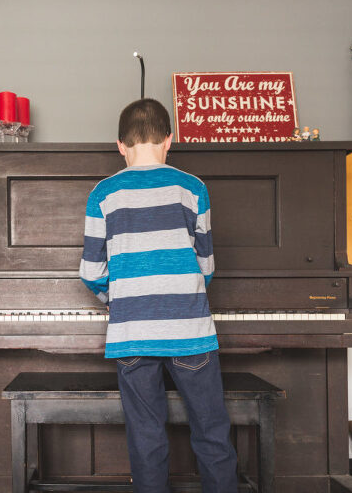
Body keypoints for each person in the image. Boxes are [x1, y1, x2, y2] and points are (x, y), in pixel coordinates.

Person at [79, 98, 238, 493]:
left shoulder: (104, 193)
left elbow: (91, 271)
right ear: (170, 139)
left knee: (146, 435)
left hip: (132, 332)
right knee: (212, 430)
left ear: (121, 145)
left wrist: (117, 299)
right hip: (189, 330)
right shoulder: (192, 188)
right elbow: (206, 267)